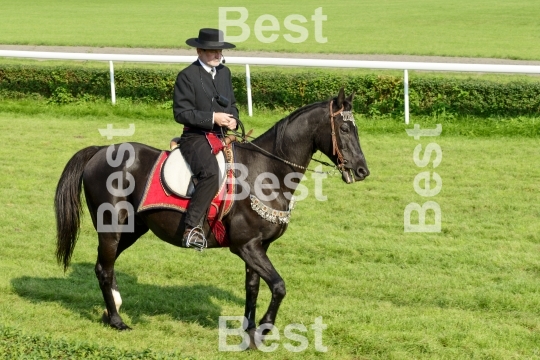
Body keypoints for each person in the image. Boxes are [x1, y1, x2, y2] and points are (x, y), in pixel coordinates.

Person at [173, 28, 238, 251]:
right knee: (210, 173)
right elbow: (181, 113)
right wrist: (213, 118)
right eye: (212, 51)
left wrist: (234, 121)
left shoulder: (225, 73)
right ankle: (191, 228)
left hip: (223, 136)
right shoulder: (186, 76)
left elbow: (233, 105)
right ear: (199, 50)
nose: (217, 55)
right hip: (195, 137)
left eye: (219, 51)